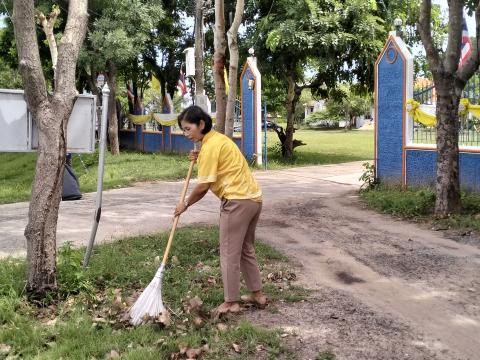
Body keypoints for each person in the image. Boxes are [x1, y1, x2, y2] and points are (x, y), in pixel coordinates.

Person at [174, 105, 267, 316]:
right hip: (253, 200)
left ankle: (231, 302)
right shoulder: (219, 140)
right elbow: (221, 163)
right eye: (184, 130)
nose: (186, 134)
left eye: (188, 129)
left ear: (201, 125)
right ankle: (257, 294)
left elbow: (203, 186)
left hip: (236, 202)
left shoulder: (209, 147)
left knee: (229, 252)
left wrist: (185, 204)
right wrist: (200, 156)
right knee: (245, 249)